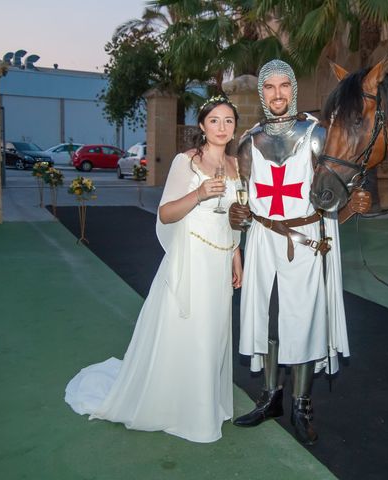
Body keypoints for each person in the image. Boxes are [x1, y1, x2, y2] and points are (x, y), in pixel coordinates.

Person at [64, 96, 243, 443]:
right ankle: (179, 408)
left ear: (235, 127)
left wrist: (237, 255)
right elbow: (166, 214)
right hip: (191, 257)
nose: (222, 128)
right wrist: (201, 193)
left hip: (220, 258)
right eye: (214, 121)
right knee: (190, 329)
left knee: (214, 330)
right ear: (203, 126)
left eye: (229, 121)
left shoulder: (236, 165)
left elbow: (233, 215)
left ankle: (205, 403)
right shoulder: (186, 162)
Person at [228, 59, 371, 445]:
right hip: (262, 240)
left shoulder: (317, 136)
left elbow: (332, 195)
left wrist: (351, 205)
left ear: (293, 89)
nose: (277, 94)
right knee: (270, 319)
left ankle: (301, 402)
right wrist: (237, 215)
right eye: (270, 87)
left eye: (284, 86)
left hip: (306, 243)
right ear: (263, 93)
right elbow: (242, 198)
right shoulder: (248, 142)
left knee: (304, 320)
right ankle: (271, 396)